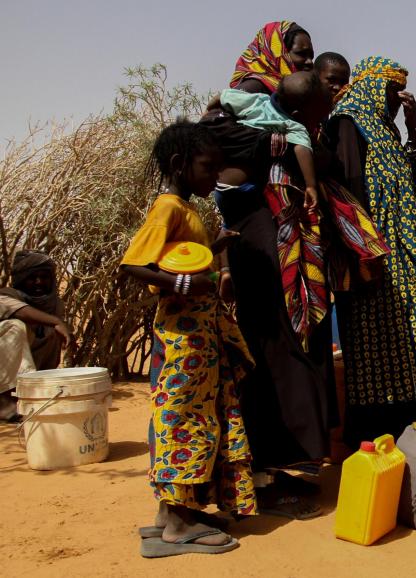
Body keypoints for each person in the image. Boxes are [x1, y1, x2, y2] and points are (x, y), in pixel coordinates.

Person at [215, 20, 334, 520]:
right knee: (270, 338)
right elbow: (215, 143)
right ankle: (267, 468)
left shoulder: (289, 107)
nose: (306, 61)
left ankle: (285, 463)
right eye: (300, 54)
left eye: (309, 55)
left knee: (292, 336)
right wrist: (268, 147)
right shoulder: (246, 92)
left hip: (282, 232)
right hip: (255, 232)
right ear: (276, 52)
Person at [121, 119, 254, 558]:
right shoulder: (168, 208)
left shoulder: (186, 209)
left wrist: (214, 249)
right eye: (207, 167)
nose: (214, 177)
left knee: (195, 415)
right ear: (180, 164)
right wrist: (182, 286)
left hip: (198, 334)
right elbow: (134, 265)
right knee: (183, 417)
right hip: (183, 338)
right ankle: (178, 524)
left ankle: (174, 513)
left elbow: (182, 260)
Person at [324, 56, 416, 445]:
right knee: (378, 349)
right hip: (376, 259)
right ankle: (378, 437)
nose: (398, 96)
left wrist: (412, 125)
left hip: (406, 258)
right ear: (373, 85)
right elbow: (349, 193)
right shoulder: (349, 124)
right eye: (392, 88)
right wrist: (363, 254)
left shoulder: (385, 130)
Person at [214, 71, 334, 213]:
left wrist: (208, 110)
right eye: (318, 118)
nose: (318, 125)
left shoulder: (257, 101)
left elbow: (222, 96)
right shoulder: (293, 126)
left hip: (221, 184)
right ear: (298, 115)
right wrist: (310, 186)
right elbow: (302, 150)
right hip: (246, 189)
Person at [0, 251, 72, 422]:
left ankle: (36, 394)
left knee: (53, 332)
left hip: (27, 379)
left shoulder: (53, 305)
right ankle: (3, 402)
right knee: (14, 327)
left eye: (44, 276)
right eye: (32, 277)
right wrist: (56, 321)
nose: (39, 282)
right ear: (21, 279)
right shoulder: (6, 295)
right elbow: (21, 311)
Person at [231, 21, 314, 94]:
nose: (310, 62)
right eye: (301, 54)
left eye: (311, 56)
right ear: (277, 53)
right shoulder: (253, 88)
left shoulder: (294, 91)